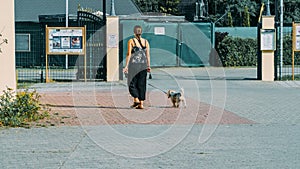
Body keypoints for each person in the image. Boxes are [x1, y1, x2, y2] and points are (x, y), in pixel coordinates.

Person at [123, 25, 151, 109]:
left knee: (131, 82)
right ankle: (141, 103)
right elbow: (148, 55)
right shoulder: (146, 42)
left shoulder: (131, 41)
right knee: (142, 84)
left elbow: (129, 54)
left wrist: (126, 66)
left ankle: (136, 99)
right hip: (143, 65)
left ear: (134, 32)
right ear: (141, 32)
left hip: (134, 65)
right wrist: (148, 66)